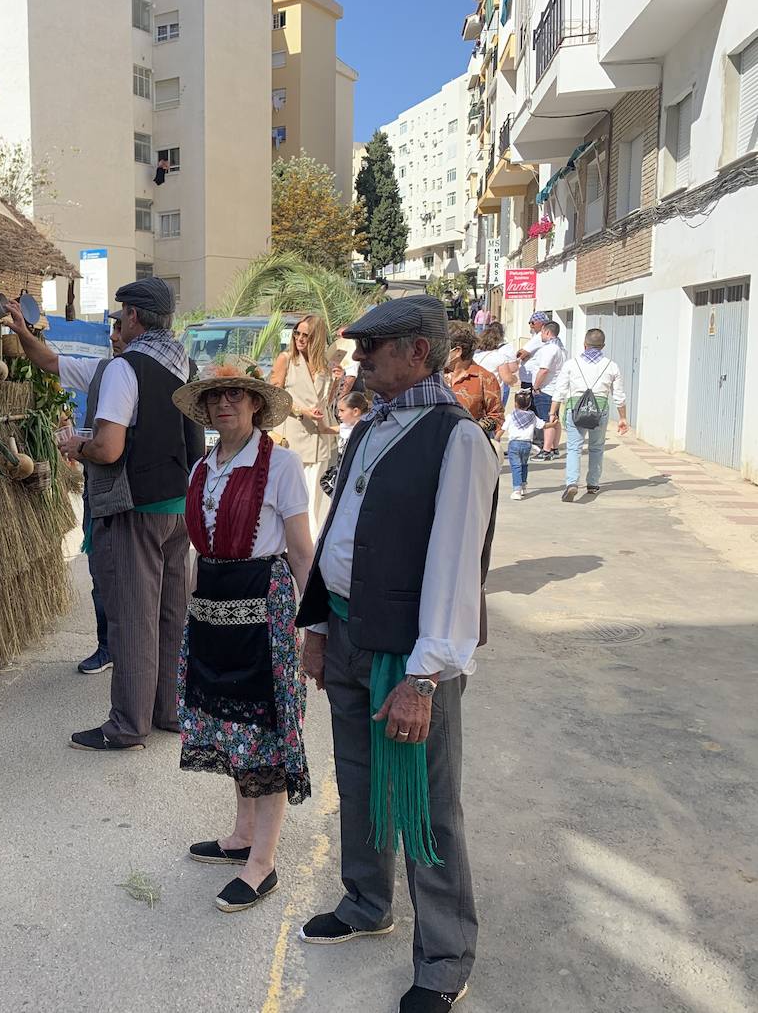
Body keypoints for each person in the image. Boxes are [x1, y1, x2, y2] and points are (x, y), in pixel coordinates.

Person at [295, 295, 497, 1013]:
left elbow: (454, 569)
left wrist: (424, 676)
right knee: (358, 779)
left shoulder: (458, 440)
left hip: (410, 655)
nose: (357, 361)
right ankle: (367, 899)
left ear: (418, 351)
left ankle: (444, 958)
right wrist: (317, 625)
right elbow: (338, 530)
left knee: (429, 804)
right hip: (349, 631)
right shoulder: (372, 426)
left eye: (371, 348)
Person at [170, 360, 313, 913]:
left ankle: (263, 863)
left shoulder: (281, 465)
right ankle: (241, 835)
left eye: (235, 395)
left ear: (255, 404)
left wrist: (311, 627)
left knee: (264, 728)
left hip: (263, 605)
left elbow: (301, 553)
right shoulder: (202, 468)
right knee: (229, 724)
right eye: (214, 398)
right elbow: (197, 549)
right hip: (213, 603)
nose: (223, 404)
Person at [54, 278, 204, 751]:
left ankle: (127, 725)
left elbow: (109, 446)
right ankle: (169, 710)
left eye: (120, 318)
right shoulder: (186, 364)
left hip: (134, 507)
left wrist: (76, 445)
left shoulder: (125, 368)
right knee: (171, 612)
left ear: (135, 317)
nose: (118, 326)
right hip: (179, 508)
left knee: (133, 617)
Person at [5, 306, 126, 676]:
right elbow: (51, 362)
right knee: (102, 573)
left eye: (120, 328)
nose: (113, 336)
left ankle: (139, 653)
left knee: (137, 578)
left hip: (142, 497)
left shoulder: (161, 372)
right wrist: (24, 332)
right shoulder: (104, 370)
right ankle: (108, 647)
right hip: (102, 491)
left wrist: (86, 448)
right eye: (113, 328)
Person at [270, 314, 338, 527]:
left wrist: (336, 381)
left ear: (316, 338)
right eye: (297, 333)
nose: (300, 338)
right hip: (293, 435)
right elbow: (274, 396)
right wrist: (301, 411)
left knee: (317, 496)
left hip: (320, 436)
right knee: (295, 496)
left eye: (306, 335)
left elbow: (326, 402)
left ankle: (314, 543)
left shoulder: (325, 366)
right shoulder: (287, 359)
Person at [548, 327, 631, 502]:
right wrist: (622, 417)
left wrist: (552, 412)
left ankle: (572, 483)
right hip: (600, 410)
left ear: (585, 344)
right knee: (596, 447)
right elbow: (619, 395)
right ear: (603, 345)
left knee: (574, 448)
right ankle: (592, 483)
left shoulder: (571, 364)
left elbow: (560, 390)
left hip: (575, 409)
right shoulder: (611, 365)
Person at [445, 326, 504, 437]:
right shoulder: (435, 374)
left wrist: (475, 427)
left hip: (467, 444)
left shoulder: (485, 379)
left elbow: (497, 417)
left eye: (443, 348)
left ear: (457, 351)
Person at [526, 319, 566, 459]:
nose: (540, 335)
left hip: (546, 389)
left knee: (547, 420)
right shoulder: (560, 348)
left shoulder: (550, 349)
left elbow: (543, 370)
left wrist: (536, 387)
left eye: (542, 332)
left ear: (547, 332)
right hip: (554, 389)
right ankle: (554, 447)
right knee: (554, 418)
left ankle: (546, 450)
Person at [503, 391, 544, 501]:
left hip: (514, 444)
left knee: (516, 466)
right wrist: (553, 424)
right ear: (529, 404)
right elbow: (542, 425)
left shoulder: (511, 416)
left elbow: (502, 429)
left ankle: (517, 490)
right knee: (524, 465)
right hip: (527, 444)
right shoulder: (532, 416)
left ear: (515, 403)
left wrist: (496, 439)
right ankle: (523, 486)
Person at [473, 322, 518, 411]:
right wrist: (515, 379)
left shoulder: (475, 355)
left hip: (476, 393)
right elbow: (507, 379)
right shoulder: (499, 357)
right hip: (492, 395)